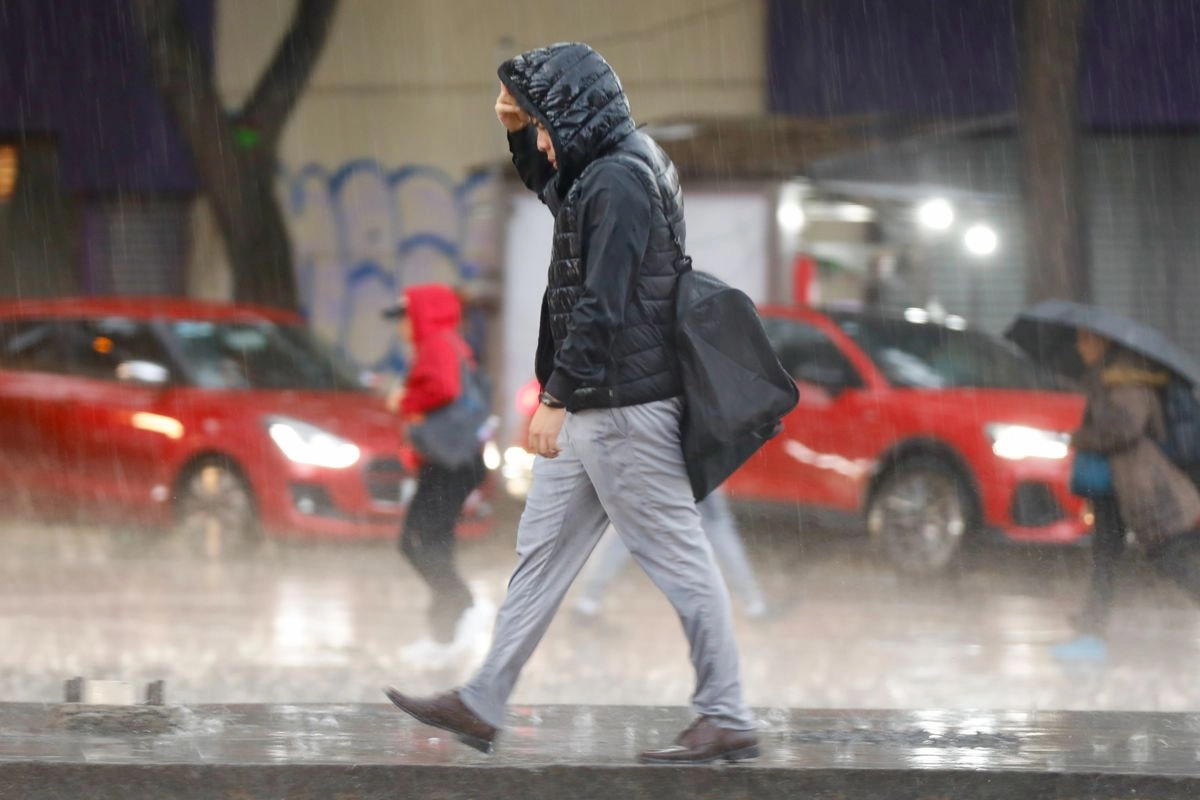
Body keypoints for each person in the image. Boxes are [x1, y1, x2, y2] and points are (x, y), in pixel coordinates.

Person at [384, 42, 760, 764]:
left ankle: (726, 714)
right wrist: (516, 132)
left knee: (680, 560)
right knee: (540, 557)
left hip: (623, 407)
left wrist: (555, 396)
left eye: (546, 126)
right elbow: (558, 189)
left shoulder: (620, 180)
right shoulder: (607, 170)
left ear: (579, 117)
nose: (546, 144)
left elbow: (602, 302)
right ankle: (482, 700)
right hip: (599, 405)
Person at [1055, 327, 1200, 662]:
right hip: (1116, 484)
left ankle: (1093, 627)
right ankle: (1092, 628)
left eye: (1084, 339)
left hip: (1141, 484)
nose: (1079, 346)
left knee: (1169, 555)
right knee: (1106, 555)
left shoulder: (1126, 377)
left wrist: (1081, 437)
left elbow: (1126, 427)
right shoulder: (1106, 375)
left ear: (1101, 340)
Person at [385, 284, 487, 645]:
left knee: (416, 540)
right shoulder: (448, 343)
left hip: (450, 462)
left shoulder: (436, 344)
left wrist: (405, 400)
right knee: (432, 542)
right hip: (452, 460)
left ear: (421, 316)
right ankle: (445, 631)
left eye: (405, 317)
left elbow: (444, 388)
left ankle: (459, 604)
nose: (401, 326)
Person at [573, 487, 768, 620]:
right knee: (717, 527)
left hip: (651, 462)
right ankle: (753, 602)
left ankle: (589, 598)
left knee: (629, 526)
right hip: (696, 461)